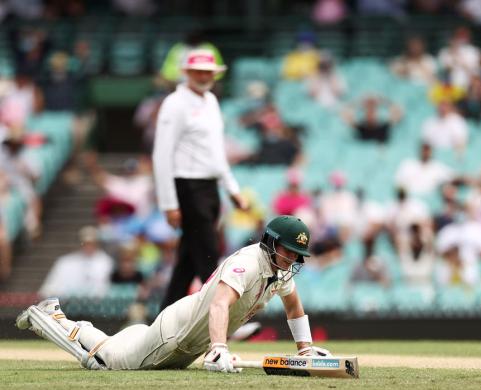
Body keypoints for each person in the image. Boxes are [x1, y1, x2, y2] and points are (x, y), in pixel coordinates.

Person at [17, 216, 332, 371]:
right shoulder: (248, 263)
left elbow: (293, 306)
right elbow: (221, 304)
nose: (291, 258)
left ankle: (60, 316)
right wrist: (220, 348)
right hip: (175, 336)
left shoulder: (278, 270)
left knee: (110, 347)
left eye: (296, 254)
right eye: (287, 251)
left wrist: (305, 349)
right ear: (271, 242)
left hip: (188, 338)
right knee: (105, 362)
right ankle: (44, 317)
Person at [152, 49, 248, 311]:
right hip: (187, 186)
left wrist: (232, 189)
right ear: (187, 73)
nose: (205, 76)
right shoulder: (175, 103)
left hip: (208, 188)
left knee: (188, 260)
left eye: (209, 72)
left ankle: (162, 319)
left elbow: (216, 153)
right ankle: (224, 317)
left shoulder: (211, 102)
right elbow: (162, 155)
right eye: (199, 71)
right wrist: (169, 203)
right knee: (207, 256)